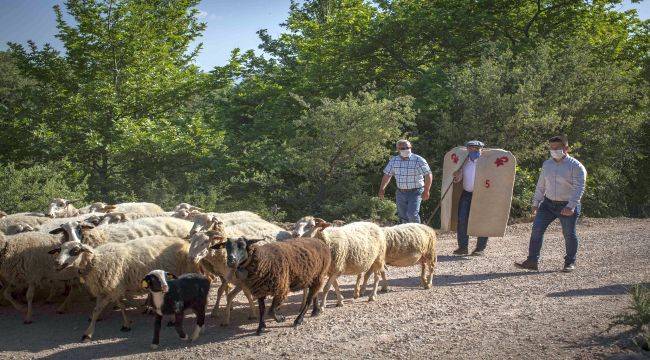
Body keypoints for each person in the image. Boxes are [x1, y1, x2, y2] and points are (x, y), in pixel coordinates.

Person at [515, 135, 587, 272]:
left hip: (567, 205)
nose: (554, 151)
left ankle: (570, 263)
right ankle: (532, 261)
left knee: (569, 234)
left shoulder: (576, 166)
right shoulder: (547, 164)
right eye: (551, 148)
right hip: (547, 204)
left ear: (566, 148)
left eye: (557, 148)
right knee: (536, 230)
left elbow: (579, 188)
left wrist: (571, 206)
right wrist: (535, 203)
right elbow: (541, 185)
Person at [378, 139, 432, 223]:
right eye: (402, 148)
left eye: (407, 147)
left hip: (416, 191)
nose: (406, 149)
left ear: (411, 147)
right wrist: (382, 189)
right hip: (400, 192)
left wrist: (426, 190)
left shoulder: (419, 160)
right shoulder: (394, 160)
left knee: (412, 214)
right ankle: (406, 235)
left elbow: (428, 175)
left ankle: (418, 234)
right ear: (398, 149)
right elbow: (387, 175)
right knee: (402, 216)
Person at [451, 140, 488, 256]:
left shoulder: (486, 163)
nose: (473, 151)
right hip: (466, 193)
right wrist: (456, 176)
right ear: (467, 149)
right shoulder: (464, 162)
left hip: (481, 195)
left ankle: (480, 249)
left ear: (481, 149)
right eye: (471, 148)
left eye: (476, 149)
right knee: (462, 220)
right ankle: (463, 247)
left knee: (481, 221)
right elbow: (458, 179)